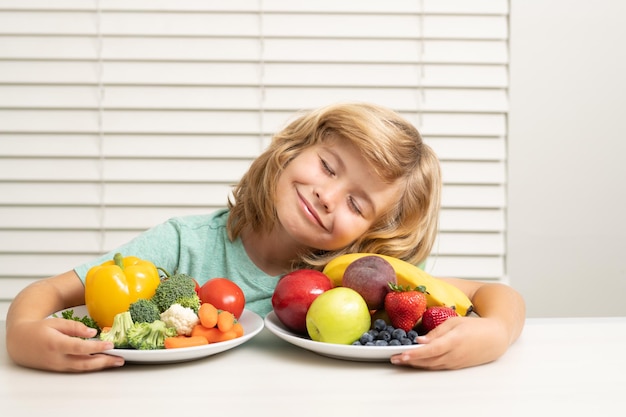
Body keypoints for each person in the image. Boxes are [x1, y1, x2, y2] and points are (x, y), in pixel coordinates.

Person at [5, 102, 525, 372]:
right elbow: (47, 294)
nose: (327, 196)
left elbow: (491, 295)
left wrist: (495, 332)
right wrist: (23, 333)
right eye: (326, 166)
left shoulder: (354, 281)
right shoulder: (182, 245)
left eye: (357, 203)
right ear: (293, 149)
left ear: (374, 231)